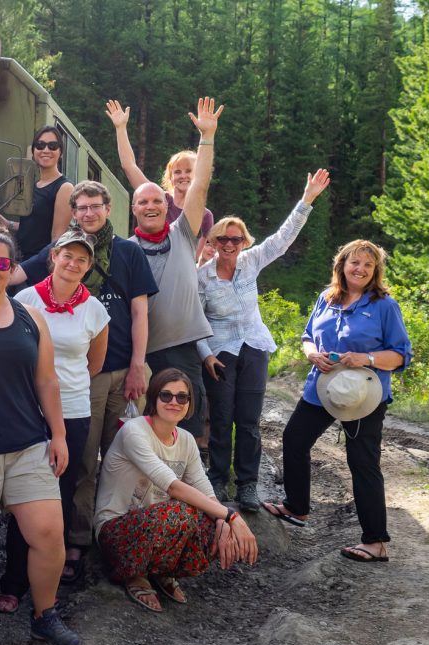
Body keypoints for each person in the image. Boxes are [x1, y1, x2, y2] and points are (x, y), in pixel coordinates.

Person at [10, 180, 158, 582]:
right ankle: (76, 539)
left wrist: (136, 367)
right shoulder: (56, 253)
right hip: (86, 378)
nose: (89, 213)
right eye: (82, 207)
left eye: (96, 206)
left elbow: (140, 313)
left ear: (109, 208)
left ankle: (120, 537)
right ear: (73, 212)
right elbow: (16, 274)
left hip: (125, 369)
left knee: (124, 457)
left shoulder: (128, 252)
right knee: (82, 464)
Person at [0, 229, 82, 645]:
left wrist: (58, 434)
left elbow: (46, 379)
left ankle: (45, 615)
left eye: (2, 263)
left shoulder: (30, 316)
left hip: (28, 442)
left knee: (49, 534)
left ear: (13, 271)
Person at [263, 240, 412, 564]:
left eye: (367, 265)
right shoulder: (326, 299)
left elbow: (401, 355)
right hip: (322, 389)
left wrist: (367, 357)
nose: (359, 269)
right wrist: (311, 354)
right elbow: (306, 336)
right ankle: (296, 508)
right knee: (294, 440)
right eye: (354, 263)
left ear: (375, 272)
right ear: (341, 265)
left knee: (362, 462)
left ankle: (375, 542)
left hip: (363, 396)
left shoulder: (384, 305)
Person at [198, 169, 331, 511]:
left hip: (255, 348)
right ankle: (216, 478)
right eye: (222, 240)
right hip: (219, 353)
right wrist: (205, 355)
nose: (229, 245)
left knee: (248, 420)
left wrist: (307, 199)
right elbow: (195, 321)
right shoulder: (202, 277)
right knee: (222, 418)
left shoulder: (251, 261)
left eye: (236, 240)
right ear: (212, 243)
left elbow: (282, 239)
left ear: (244, 242)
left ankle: (247, 484)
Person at [0, 230, 110, 613]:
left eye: (81, 259)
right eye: (67, 256)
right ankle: (12, 582)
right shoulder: (26, 300)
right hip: (28, 411)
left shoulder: (95, 310)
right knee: (22, 498)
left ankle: (45, 586)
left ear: (88, 266)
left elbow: (94, 364)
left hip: (74, 412)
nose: (73, 263)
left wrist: (65, 390)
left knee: (58, 498)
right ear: (54, 257)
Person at [94, 368, 258, 613]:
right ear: (153, 399)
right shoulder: (134, 431)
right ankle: (134, 573)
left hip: (158, 528)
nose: (174, 402)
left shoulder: (186, 440)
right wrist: (231, 515)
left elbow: (205, 490)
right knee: (181, 511)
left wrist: (224, 523)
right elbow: (173, 486)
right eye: (166, 395)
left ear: (189, 404)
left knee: (213, 526)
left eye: (182, 397)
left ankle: (161, 570)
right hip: (116, 531)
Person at [128, 97, 223, 444]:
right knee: (149, 429)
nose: (151, 206)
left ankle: (192, 495)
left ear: (165, 205)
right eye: (144, 202)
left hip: (184, 345)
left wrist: (207, 137)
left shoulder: (183, 231)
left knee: (189, 428)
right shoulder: (127, 249)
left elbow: (198, 187)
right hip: (144, 351)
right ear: (134, 208)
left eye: (157, 201)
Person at [106, 99, 215, 260]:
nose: (183, 176)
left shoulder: (204, 215)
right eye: (177, 172)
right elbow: (129, 166)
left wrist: (206, 136)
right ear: (170, 178)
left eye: (189, 171)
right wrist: (121, 128)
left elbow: (199, 253)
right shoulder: (158, 200)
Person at [8, 126, 75, 260]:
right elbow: (34, 225)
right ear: (33, 151)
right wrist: (7, 223)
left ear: (60, 152)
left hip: (38, 264)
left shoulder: (64, 187)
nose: (46, 150)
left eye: (52, 146)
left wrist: (34, 269)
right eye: (40, 145)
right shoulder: (31, 184)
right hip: (18, 259)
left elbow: (56, 238)